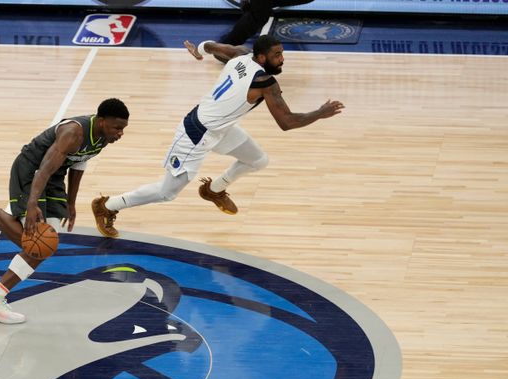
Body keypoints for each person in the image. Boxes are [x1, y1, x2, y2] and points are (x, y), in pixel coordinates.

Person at [91, 36, 343, 238]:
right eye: (278, 55)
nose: (282, 59)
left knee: (258, 161)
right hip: (196, 133)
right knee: (167, 193)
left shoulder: (241, 54)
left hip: (221, 129)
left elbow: (214, 46)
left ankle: (214, 189)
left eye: (282, 53)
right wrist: (320, 113)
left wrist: (200, 49)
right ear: (263, 57)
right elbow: (287, 122)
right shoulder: (266, 83)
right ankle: (108, 205)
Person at [0, 98, 129, 324]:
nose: (120, 133)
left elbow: (79, 163)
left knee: (44, 244)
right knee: (38, 244)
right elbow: (42, 169)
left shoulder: (103, 138)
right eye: (117, 128)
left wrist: (71, 203)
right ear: (102, 122)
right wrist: (32, 204)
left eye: (123, 129)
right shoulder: (74, 133)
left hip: (54, 176)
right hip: (31, 170)